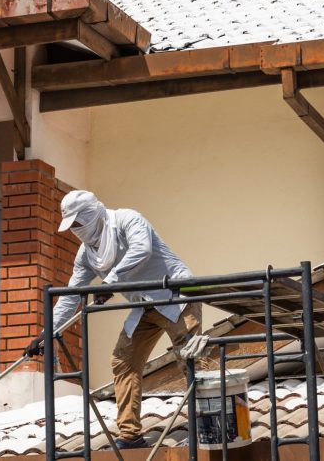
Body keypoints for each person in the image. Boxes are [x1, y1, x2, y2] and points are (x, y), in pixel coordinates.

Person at [24, 190, 202, 450]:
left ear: (91, 215)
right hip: (144, 306)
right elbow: (71, 296)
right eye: (71, 226)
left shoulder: (127, 220)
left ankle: (206, 424)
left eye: (77, 223)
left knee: (190, 357)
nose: (76, 230)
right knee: (123, 361)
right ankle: (130, 436)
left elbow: (142, 249)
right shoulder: (86, 255)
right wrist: (45, 333)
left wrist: (110, 281)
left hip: (176, 297)